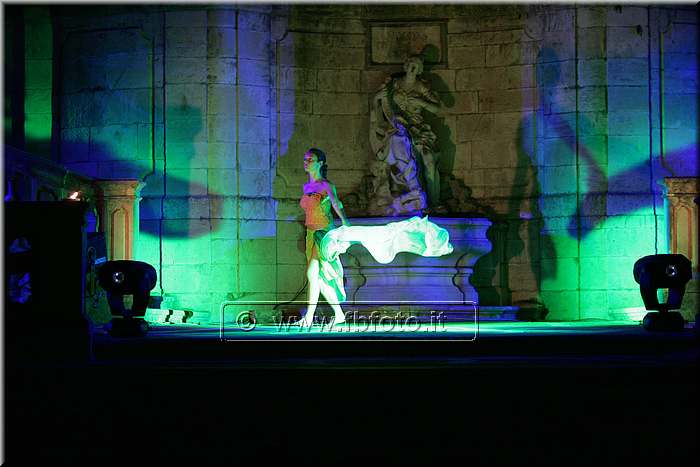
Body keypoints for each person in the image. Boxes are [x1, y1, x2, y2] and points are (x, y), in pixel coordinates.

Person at [370, 55, 442, 211]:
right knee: (398, 146)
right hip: (397, 127)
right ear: (405, 66)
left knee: (429, 160)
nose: (412, 66)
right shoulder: (393, 84)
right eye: (410, 63)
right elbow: (380, 105)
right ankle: (411, 190)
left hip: (418, 129)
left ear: (420, 69)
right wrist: (376, 100)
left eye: (416, 64)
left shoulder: (421, 86)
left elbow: (437, 108)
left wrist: (421, 102)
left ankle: (433, 200)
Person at [298, 148, 350, 326]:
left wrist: (345, 222)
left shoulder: (326, 185)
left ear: (320, 163)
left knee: (312, 273)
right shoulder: (306, 187)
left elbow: (336, 204)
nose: (306, 162)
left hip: (323, 232)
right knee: (318, 278)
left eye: (310, 160)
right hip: (311, 233)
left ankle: (309, 317)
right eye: (305, 159)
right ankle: (338, 314)